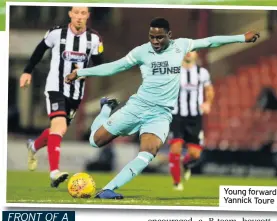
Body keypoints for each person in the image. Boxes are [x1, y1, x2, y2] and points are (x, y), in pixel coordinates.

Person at [65, 17, 259, 199]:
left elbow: (210, 42)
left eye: (159, 37)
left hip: (160, 115)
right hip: (137, 107)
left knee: (148, 153)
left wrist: (241, 38)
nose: (155, 41)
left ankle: (108, 189)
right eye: (152, 37)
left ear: (169, 35)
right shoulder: (141, 51)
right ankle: (106, 109)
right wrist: (81, 72)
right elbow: (114, 67)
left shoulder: (180, 46)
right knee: (94, 141)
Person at [20, 6, 103, 188]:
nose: (79, 17)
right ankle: (54, 172)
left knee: (58, 131)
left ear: (88, 16)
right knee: (59, 126)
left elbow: (100, 66)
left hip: (76, 94)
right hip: (55, 88)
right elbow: (39, 50)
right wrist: (27, 72)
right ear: (70, 14)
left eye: (83, 13)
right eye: (76, 13)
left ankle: (33, 147)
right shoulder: (56, 33)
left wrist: (84, 72)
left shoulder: (94, 39)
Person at [168, 51, 214, 191]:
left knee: (195, 154)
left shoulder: (202, 72)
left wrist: (208, 103)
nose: (188, 53)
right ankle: (177, 182)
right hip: (177, 116)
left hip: (195, 117)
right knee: (175, 148)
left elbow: (209, 90)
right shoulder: (173, 71)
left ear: (196, 54)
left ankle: (186, 164)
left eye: (192, 50)